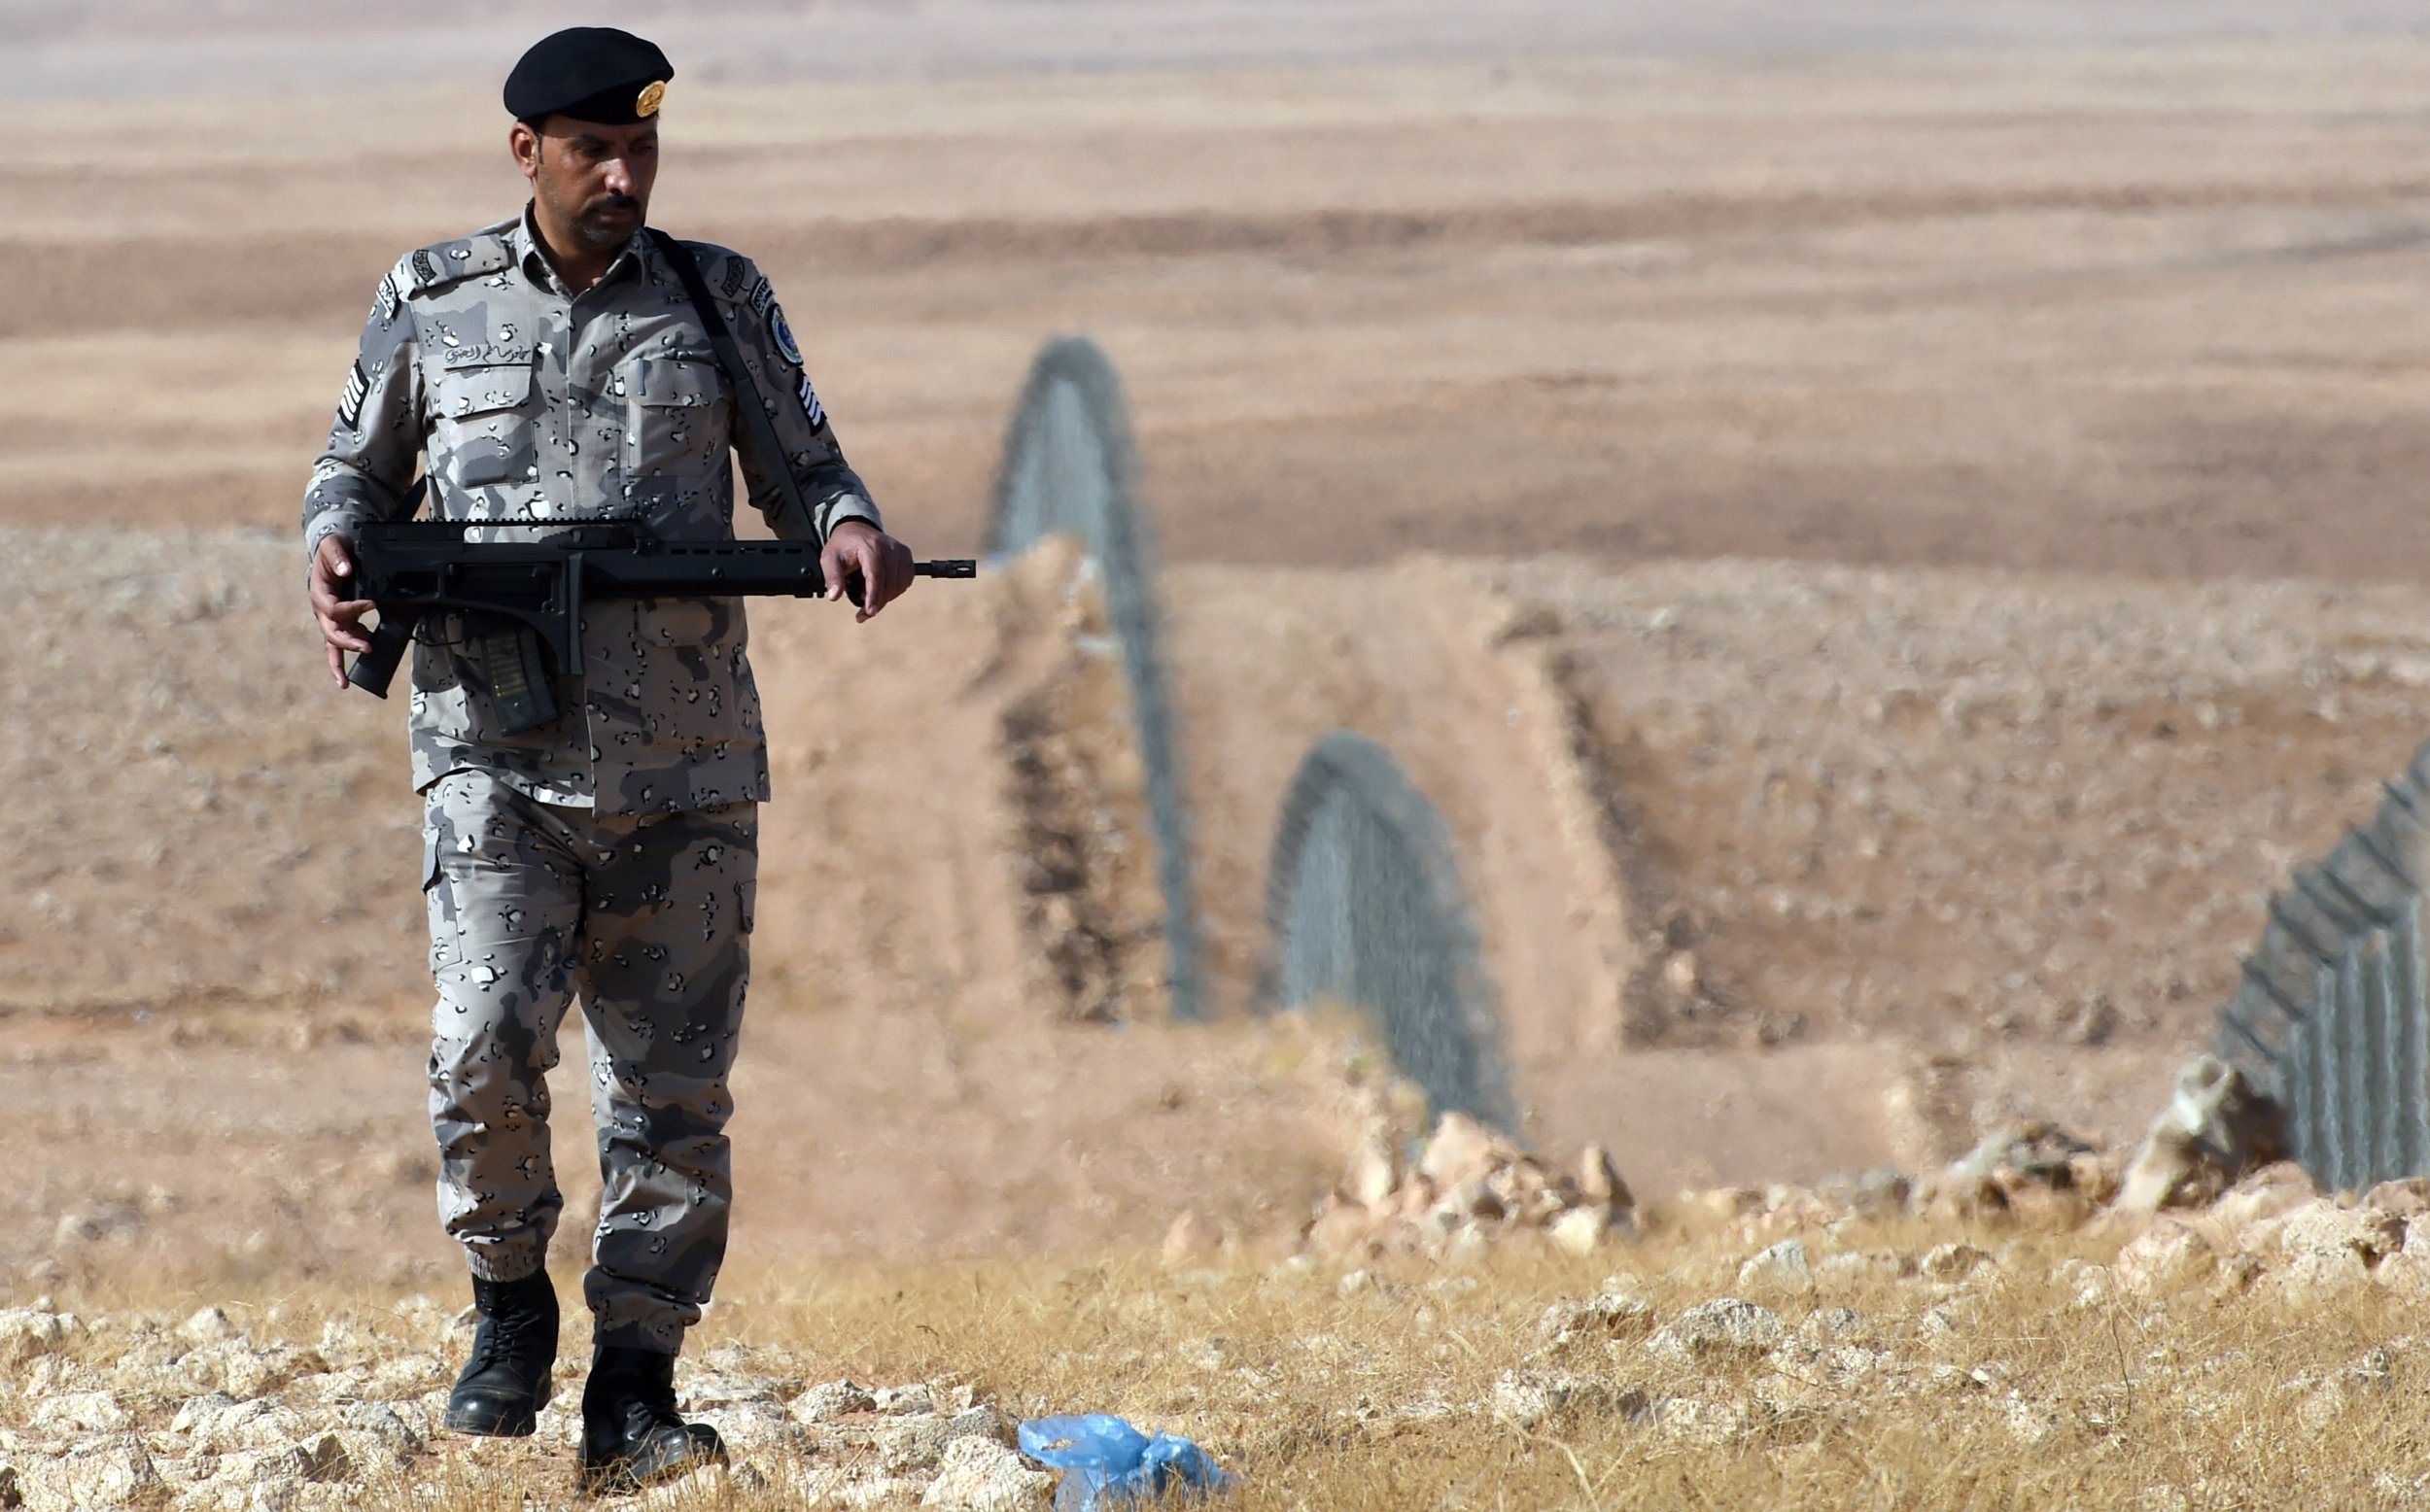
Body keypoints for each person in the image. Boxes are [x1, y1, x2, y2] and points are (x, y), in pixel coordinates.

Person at [300, 25, 915, 1493]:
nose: (622, 174)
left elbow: (808, 468)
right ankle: (509, 1306)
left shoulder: (718, 297)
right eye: (593, 150)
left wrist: (844, 527)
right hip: (492, 760)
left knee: (672, 1098)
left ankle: (635, 1386)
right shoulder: (431, 302)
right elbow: (350, 473)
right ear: (528, 152)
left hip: (688, 771)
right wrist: (326, 547)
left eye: (642, 148)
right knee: (482, 1046)